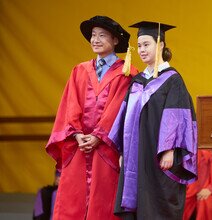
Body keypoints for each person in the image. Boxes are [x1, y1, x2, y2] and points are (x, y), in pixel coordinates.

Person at [45, 15, 138, 219]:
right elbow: (70, 105)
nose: (95, 40)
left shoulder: (126, 73)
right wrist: (77, 134)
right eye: (93, 35)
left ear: (115, 40)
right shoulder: (79, 70)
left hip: (107, 148)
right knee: (72, 200)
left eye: (102, 35)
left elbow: (118, 108)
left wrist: (98, 136)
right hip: (78, 146)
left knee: (105, 200)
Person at [108, 21, 197, 220]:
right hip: (137, 155)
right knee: (138, 204)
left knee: (157, 206)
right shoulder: (137, 81)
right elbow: (125, 118)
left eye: (146, 44)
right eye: (139, 46)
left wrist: (170, 149)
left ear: (161, 45)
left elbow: (177, 118)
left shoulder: (173, 80)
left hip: (159, 156)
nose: (141, 50)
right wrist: (124, 150)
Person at [183, 149, 212, 220]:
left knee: (206, 202)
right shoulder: (195, 150)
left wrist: (211, 189)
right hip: (193, 188)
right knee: (182, 200)